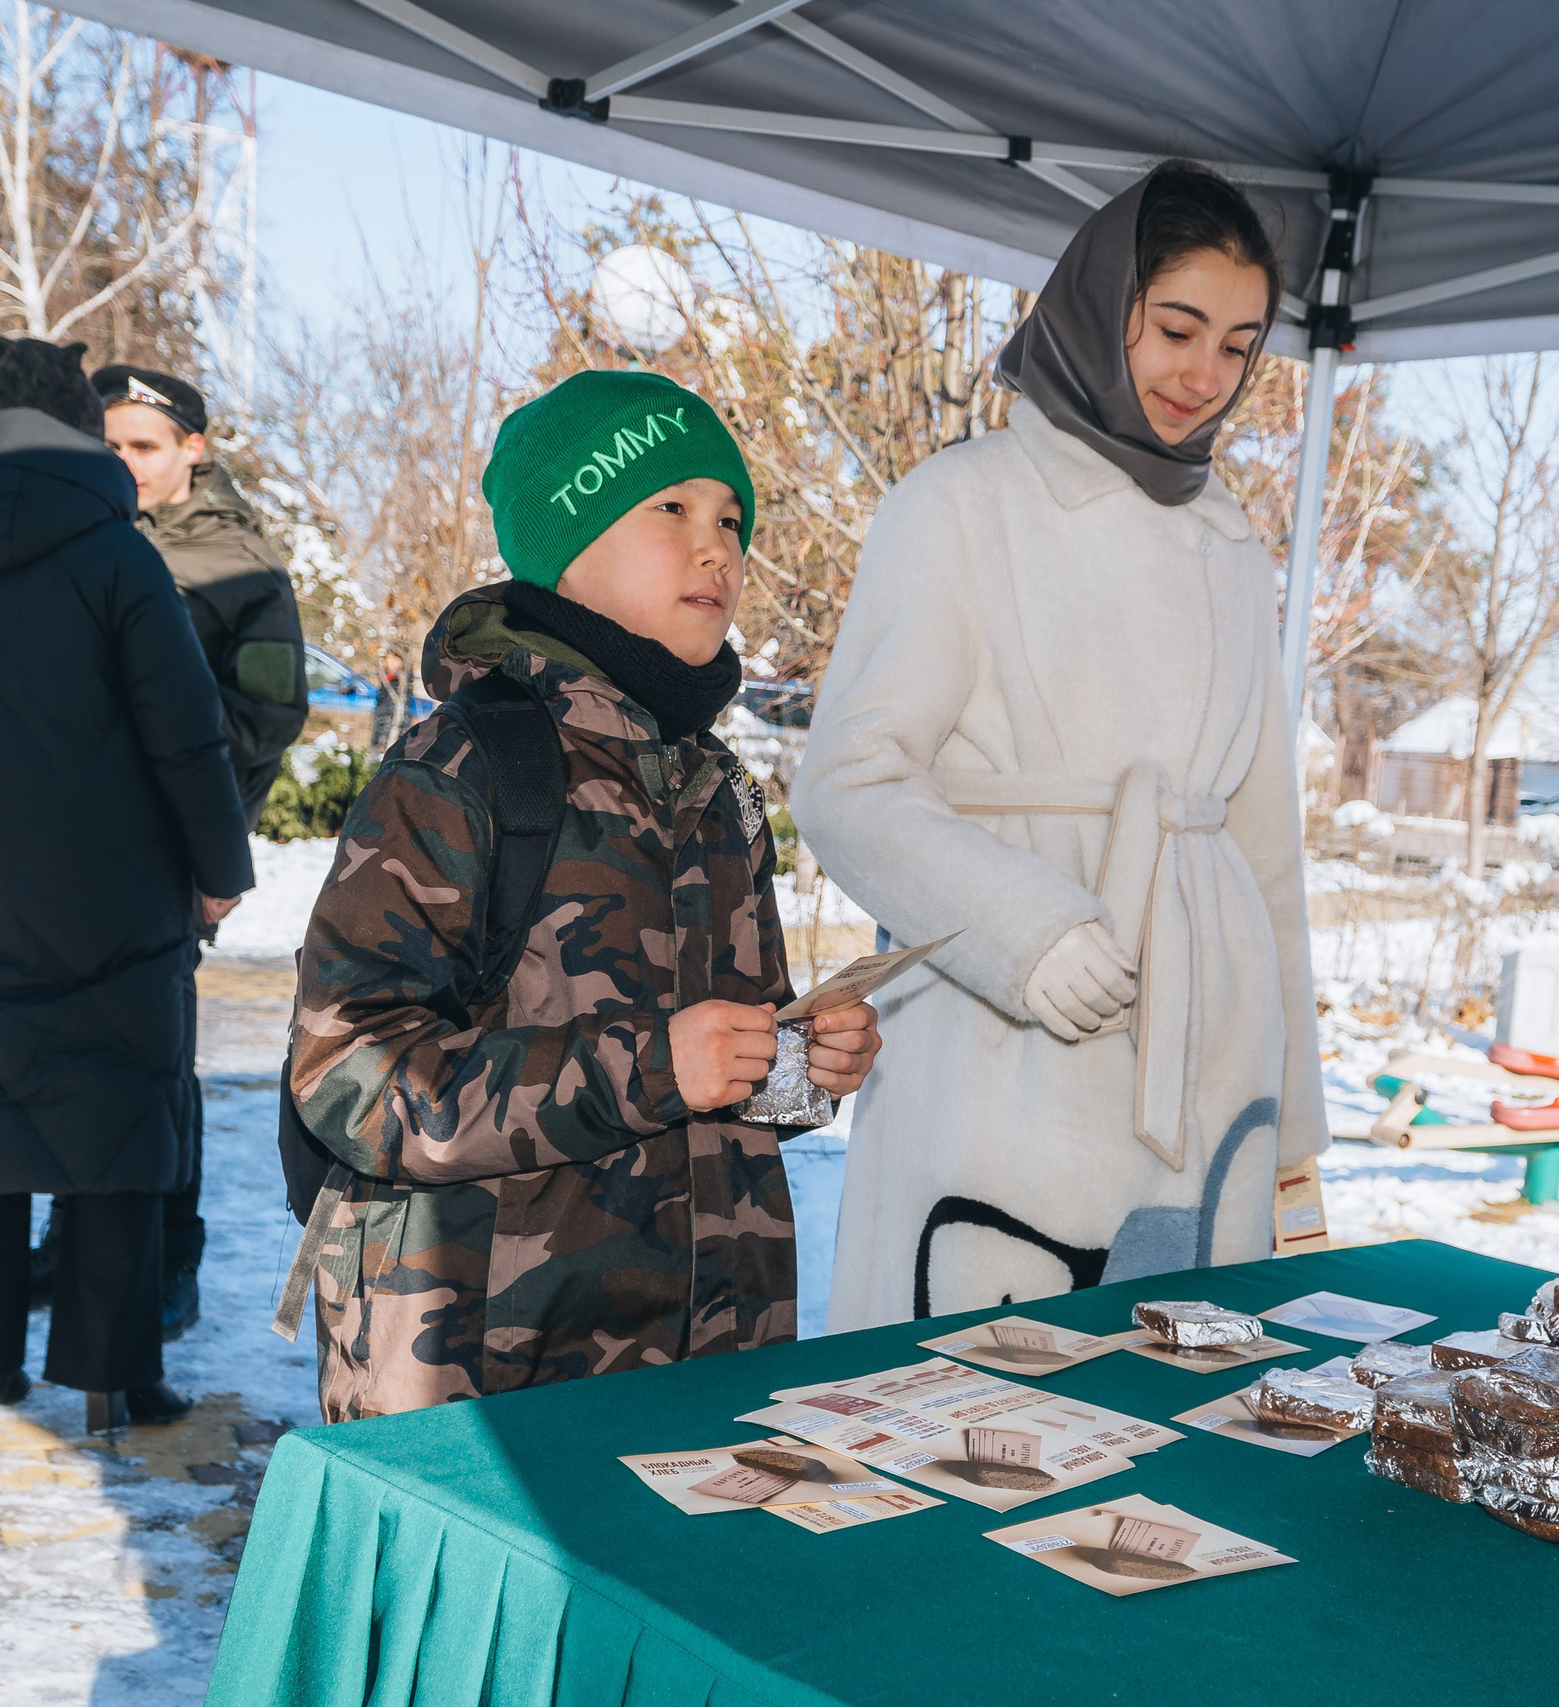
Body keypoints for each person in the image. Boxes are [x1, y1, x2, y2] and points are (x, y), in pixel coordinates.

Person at [277, 369, 882, 1419]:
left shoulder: (714, 786)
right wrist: (655, 1066)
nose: (718, 547)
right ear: (568, 540)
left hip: (709, 1365)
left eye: (734, 518)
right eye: (670, 508)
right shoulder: (462, 768)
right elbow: (347, 1076)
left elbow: (719, 1065)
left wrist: (800, 1067)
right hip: (480, 1379)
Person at [792, 162, 1325, 1329]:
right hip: (1002, 1042)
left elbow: (1263, 842)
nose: (1205, 375)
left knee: (1176, 1421)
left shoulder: (1232, 542)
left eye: (1238, 346)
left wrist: (1291, 1134)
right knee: (975, 1407)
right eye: (1177, 327)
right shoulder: (958, 505)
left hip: (1211, 1040)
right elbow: (847, 782)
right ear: (1098, 307)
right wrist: (1025, 929)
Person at [0, 335, 252, 1433]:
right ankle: (115, 1379)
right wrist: (221, 872)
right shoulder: (119, 558)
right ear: (84, 436)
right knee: (114, 1112)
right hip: (112, 884)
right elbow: (187, 737)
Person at [51, 363, 307, 1342]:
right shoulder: (81, 537)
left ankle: (167, 1259)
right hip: (68, 850)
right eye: (109, 446)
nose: (124, 464)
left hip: (163, 849)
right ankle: (72, 1231)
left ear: (193, 450)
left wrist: (212, 855)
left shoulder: (239, 565)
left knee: (150, 1063)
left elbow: (266, 714)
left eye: (143, 447)